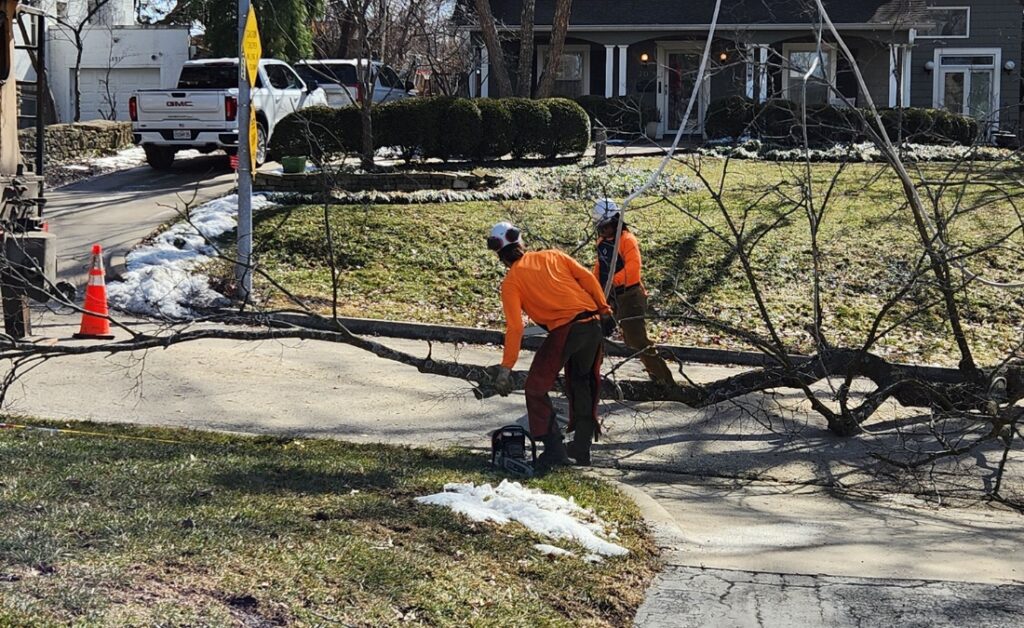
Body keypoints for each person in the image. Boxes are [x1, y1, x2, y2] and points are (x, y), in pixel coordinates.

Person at [488, 222, 615, 468]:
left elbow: (515, 328)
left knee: (535, 388)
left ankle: (555, 450)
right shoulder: (553, 255)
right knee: (582, 382)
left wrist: (506, 367)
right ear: (521, 243)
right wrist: (604, 309)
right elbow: (587, 278)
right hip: (592, 325)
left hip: (566, 329)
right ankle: (581, 447)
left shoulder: (511, 282)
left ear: (499, 255)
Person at [592, 199, 676, 385]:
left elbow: (633, 268)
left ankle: (663, 380)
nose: (603, 231)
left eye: (606, 226)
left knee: (635, 339)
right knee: (593, 332)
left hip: (629, 296)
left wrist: (613, 281)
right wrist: (593, 283)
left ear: (615, 221)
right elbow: (600, 265)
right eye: (601, 227)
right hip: (608, 295)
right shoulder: (602, 242)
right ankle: (590, 376)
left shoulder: (626, 240)